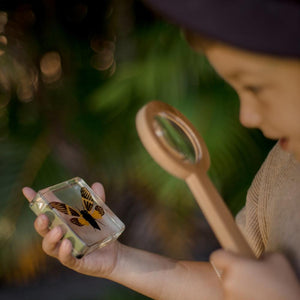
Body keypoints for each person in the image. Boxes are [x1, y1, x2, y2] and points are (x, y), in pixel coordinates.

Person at [23, 0, 300, 299]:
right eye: (237, 90)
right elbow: (229, 288)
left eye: (255, 87)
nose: (246, 116)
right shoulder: (281, 169)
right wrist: (117, 262)